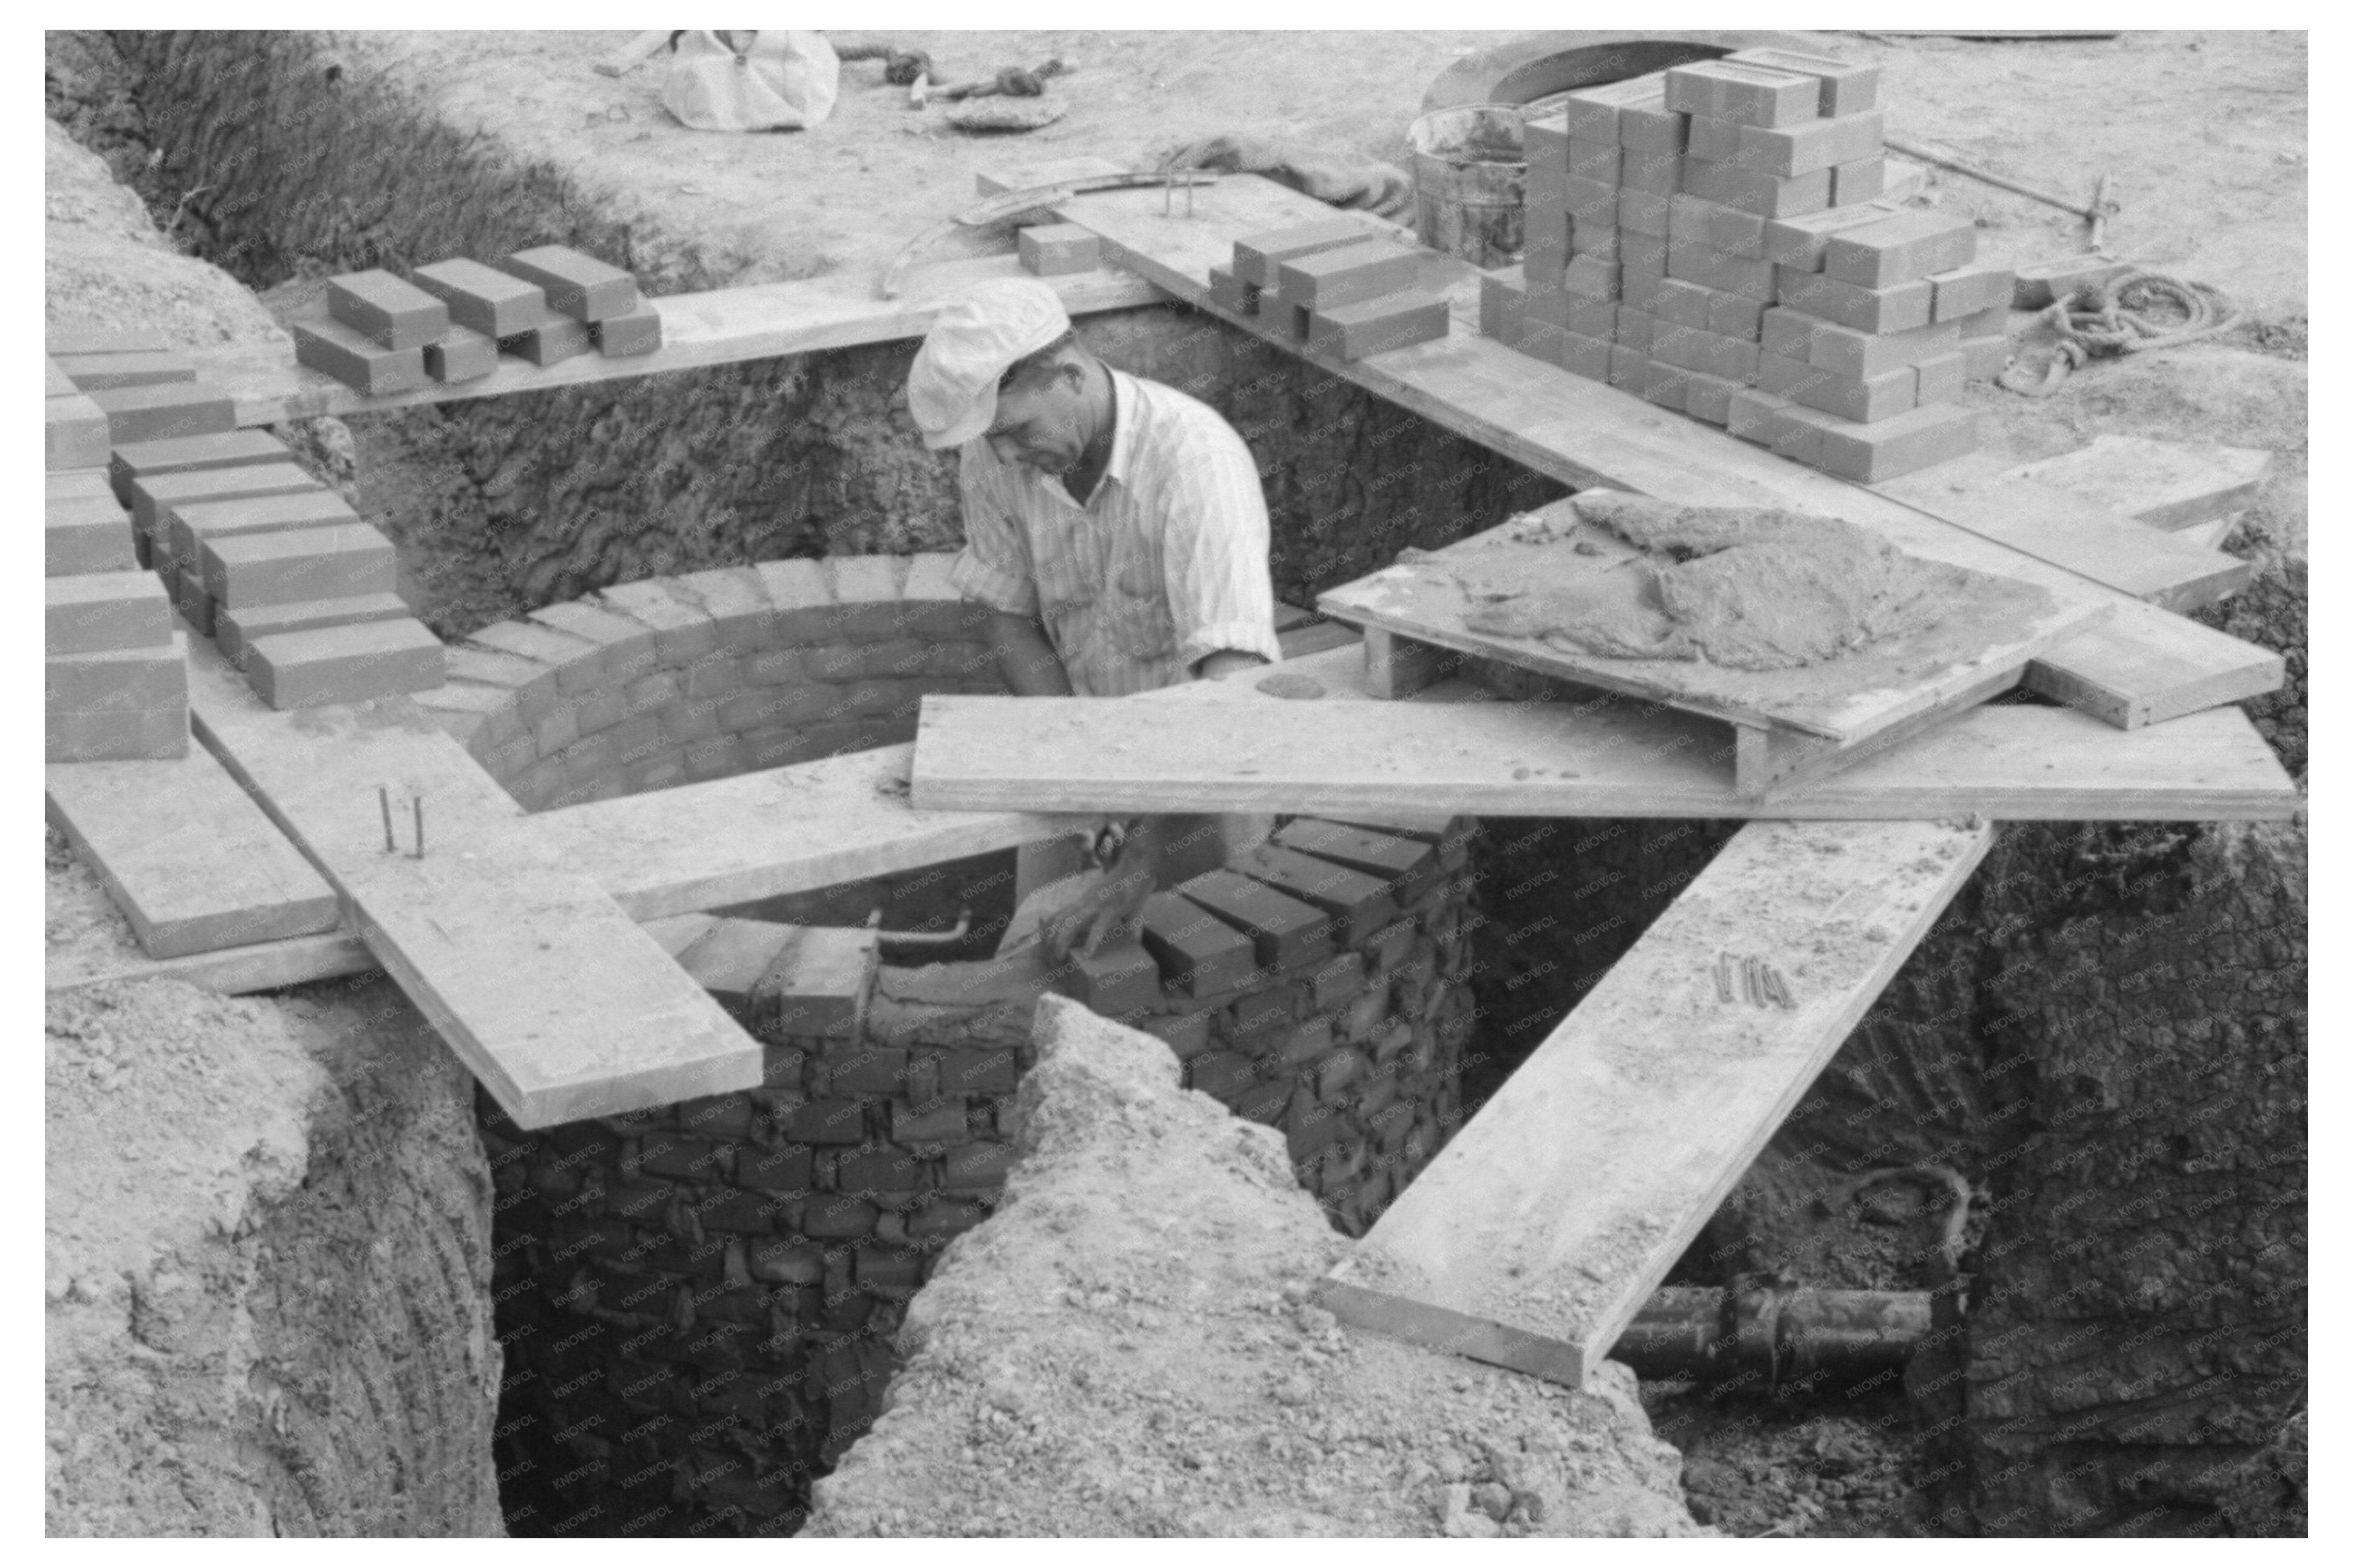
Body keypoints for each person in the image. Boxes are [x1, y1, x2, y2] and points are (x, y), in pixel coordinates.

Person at [906, 277, 1282, 962]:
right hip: (1084, 771)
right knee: (1041, 961)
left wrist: (1141, 856)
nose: (1008, 458)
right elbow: (1007, 617)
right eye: (994, 440)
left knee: (1193, 979)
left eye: (1019, 431)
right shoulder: (995, 454)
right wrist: (1080, 776)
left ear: (1072, 375)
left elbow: (1231, 699)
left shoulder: (1198, 465)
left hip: (1202, 785)